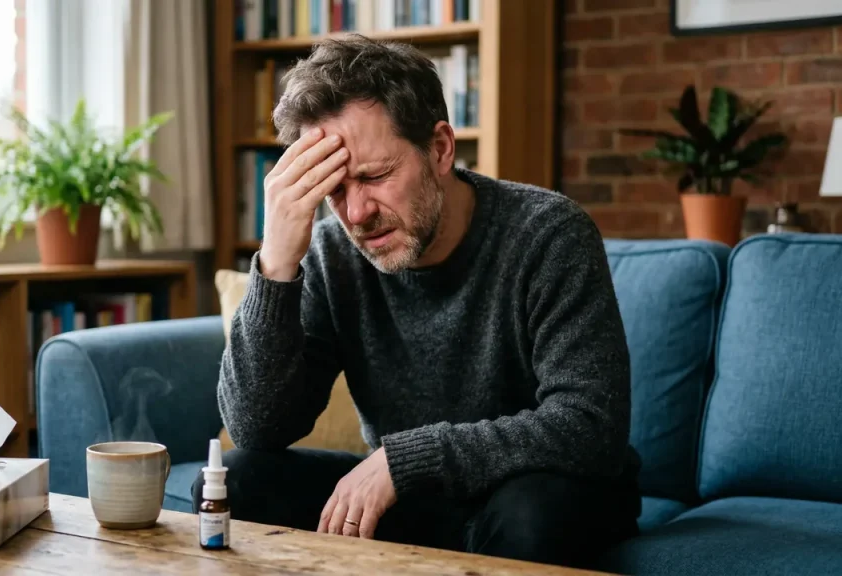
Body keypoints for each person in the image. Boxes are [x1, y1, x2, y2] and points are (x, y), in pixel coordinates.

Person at [192, 34, 640, 568]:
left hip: (541, 492)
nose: (356, 214)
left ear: (441, 148)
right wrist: (277, 263)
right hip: (416, 499)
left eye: (375, 176)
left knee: (528, 515)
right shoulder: (332, 252)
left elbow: (591, 426)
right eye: (335, 190)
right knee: (234, 482)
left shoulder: (549, 233)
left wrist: (406, 460)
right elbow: (258, 428)